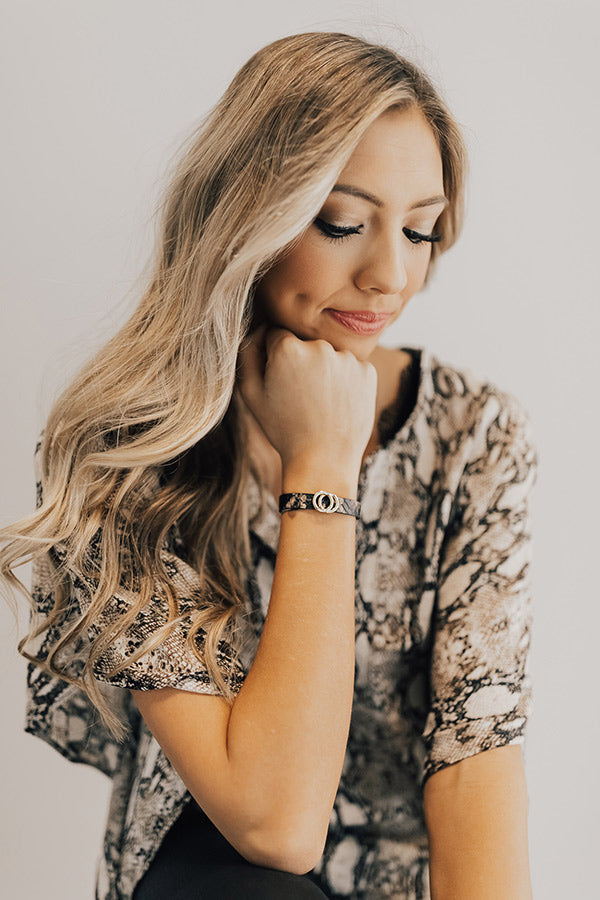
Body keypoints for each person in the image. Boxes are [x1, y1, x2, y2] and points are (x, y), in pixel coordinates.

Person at [1, 31, 538, 900]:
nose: (389, 274)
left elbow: (476, 758)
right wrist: (322, 462)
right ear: (252, 213)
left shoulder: (471, 435)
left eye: (421, 229)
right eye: (342, 224)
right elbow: (277, 824)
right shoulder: (128, 448)